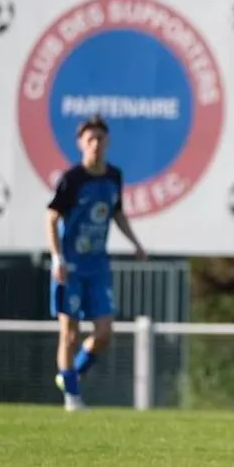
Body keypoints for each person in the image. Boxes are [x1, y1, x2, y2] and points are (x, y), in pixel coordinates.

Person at [46, 114, 148, 411]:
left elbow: (116, 212)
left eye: (100, 139)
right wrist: (57, 258)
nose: (96, 144)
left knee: (104, 332)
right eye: (90, 139)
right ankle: (72, 397)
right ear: (80, 144)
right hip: (70, 267)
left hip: (98, 266)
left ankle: (70, 375)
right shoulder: (72, 179)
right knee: (71, 332)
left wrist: (136, 243)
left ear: (108, 142)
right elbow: (51, 216)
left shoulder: (113, 176)